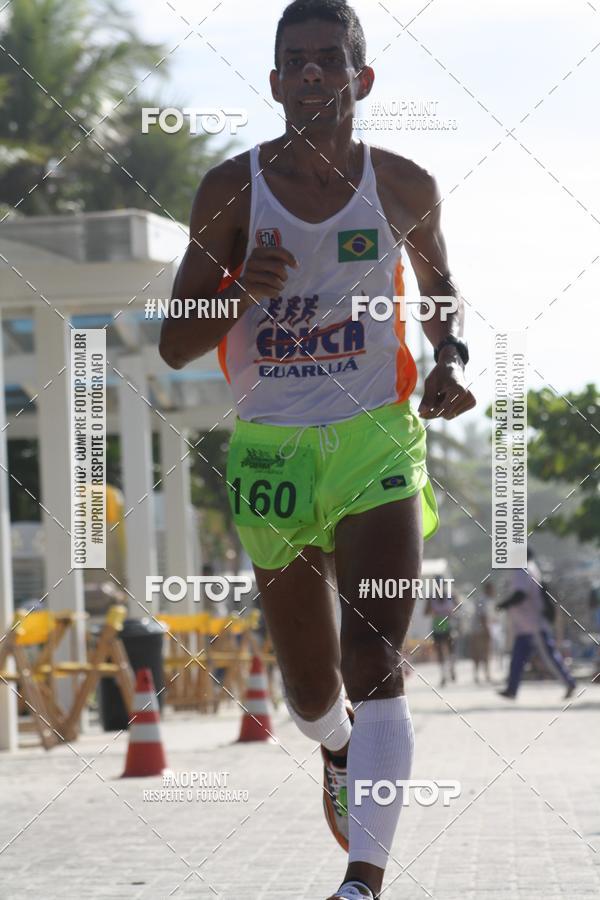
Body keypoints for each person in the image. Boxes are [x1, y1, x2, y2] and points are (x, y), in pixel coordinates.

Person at [159, 2, 475, 896]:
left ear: (359, 79)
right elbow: (176, 344)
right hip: (271, 448)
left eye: (326, 61)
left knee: (376, 657)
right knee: (310, 691)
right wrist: (232, 286)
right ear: (272, 83)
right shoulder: (230, 189)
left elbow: (444, 292)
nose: (308, 76)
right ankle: (336, 748)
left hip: (378, 432)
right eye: (292, 62)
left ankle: (361, 883)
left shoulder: (405, 185)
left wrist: (446, 361)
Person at [496, 548, 576, 701]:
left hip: (533, 625)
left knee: (549, 656)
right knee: (517, 658)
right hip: (525, 625)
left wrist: (503, 604)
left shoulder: (523, 569)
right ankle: (511, 689)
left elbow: (520, 594)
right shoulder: (532, 568)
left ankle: (569, 682)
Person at [425, 581, 457, 687]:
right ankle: (444, 675)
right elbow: (426, 612)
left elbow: (458, 607)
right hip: (438, 626)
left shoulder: (450, 595)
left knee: (449, 649)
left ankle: (451, 669)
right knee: (441, 651)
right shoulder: (432, 597)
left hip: (447, 625)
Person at [469, 581, 493, 684]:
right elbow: (483, 616)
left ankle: (480, 674)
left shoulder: (485, 600)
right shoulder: (485, 600)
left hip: (478, 629)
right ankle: (485, 674)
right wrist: (487, 630)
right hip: (481, 630)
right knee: (483, 653)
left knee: (479, 653)